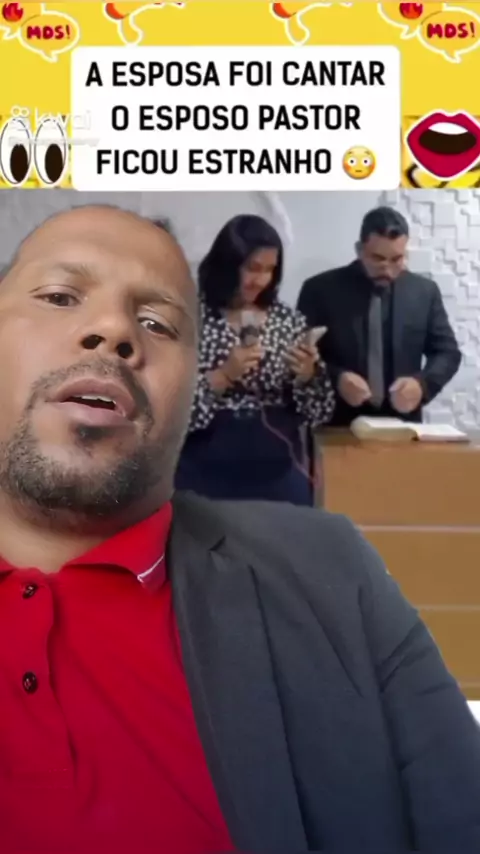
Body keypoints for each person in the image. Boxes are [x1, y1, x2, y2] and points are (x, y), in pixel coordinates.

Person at [0, 204, 478, 854]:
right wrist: (222, 379)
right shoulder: (215, 328)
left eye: (157, 323)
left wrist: (314, 379)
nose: (113, 329)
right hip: (211, 461)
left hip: (273, 467)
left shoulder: (333, 577)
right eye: (60, 296)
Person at [175, 214, 335, 505]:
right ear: (228, 264)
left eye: (270, 270)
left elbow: (320, 412)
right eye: (253, 268)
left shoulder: (287, 321)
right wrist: (223, 375)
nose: (261, 280)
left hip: (275, 461)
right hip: (203, 459)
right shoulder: (189, 318)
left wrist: (307, 376)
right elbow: (170, 410)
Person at [297, 206, 462, 427]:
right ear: (359, 250)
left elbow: (447, 353)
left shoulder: (425, 292)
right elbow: (299, 357)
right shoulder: (319, 290)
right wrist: (336, 378)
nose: (387, 269)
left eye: (397, 259)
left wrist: (421, 385)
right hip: (336, 424)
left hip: (404, 426)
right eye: (377, 258)